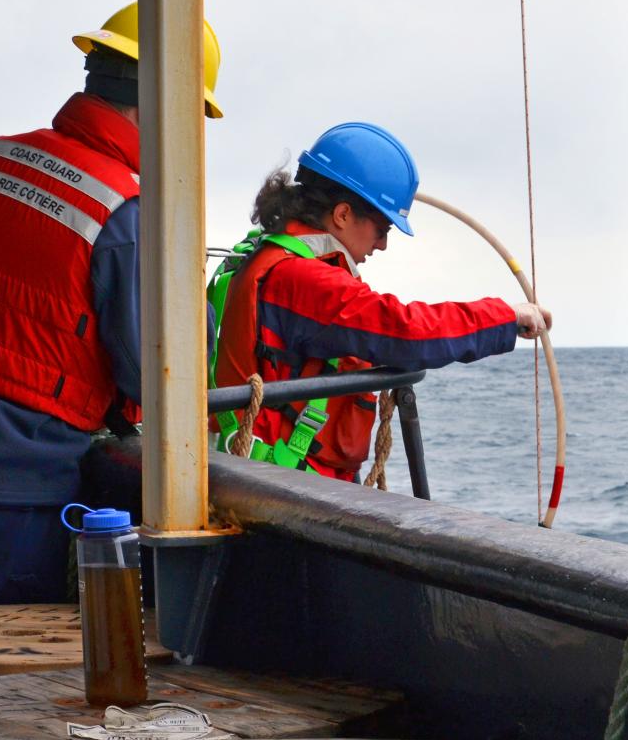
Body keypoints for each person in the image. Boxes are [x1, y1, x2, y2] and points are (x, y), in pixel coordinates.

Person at [0, 2, 224, 611]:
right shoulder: (131, 215)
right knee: (0, 690)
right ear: (166, 109)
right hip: (12, 504)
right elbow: (154, 378)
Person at [209, 122, 552, 480]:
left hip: (262, 474)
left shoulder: (270, 256)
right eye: (382, 229)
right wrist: (505, 318)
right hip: (283, 484)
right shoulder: (302, 279)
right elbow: (404, 331)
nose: (383, 245)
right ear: (342, 214)